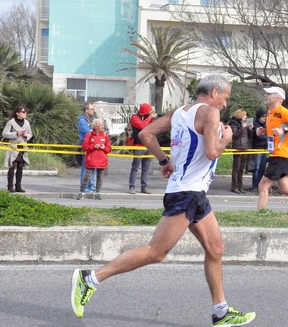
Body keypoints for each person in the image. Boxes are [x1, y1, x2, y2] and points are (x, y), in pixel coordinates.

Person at [71, 74, 256, 326]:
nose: (225, 104)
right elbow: (212, 152)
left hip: (193, 193)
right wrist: (226, 139)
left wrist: (164, 161)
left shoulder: (179, 111)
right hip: (187, 193)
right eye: (225, 97)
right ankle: (90, 278)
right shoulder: (210, 113)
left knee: (216, 249)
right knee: (155, 252)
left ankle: (221, 312)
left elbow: (146, 133)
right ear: (214, 92)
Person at [77, 119, 111, 200]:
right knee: (87, 177)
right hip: (91, 159)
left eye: (102, 125)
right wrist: (94, 146)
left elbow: (109, 148)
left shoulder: (105, 136)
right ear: (95, 126)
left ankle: (98, 193)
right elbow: (85, 147)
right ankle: (81, 193)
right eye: (100, 125)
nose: (102, 126)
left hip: (102, 160)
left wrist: (104, 147)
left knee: (100, 177)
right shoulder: (89, 135)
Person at [128, 103, 158, 194]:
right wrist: (149, 118)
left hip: (148, 145)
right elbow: (142, 126)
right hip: (138, 145)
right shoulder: (134, 118)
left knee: (146, 168)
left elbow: (153, 128)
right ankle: (131, 186)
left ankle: (144, 187)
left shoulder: (148, 118)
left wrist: (153, 119)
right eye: (149, 112)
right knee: (135, 167)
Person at [2, 105, 33, 193]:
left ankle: (18, 186)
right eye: (23, 112)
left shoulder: (27, 123)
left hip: (23, 147)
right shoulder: (11, 122)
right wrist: (16, 134)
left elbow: (30, 134)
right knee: (12, 167)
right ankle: (10, 186)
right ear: (17, 113)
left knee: (20, 167)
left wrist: (25, 135)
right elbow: (4, 133)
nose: (25, 113)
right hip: (13, 147)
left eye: (25, 112)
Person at [229, 109, 252, 194]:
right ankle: (234, 187)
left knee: (241, 168)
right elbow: (235, 135)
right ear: (240, 115)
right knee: (236, 168)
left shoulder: (245, 124)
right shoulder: (234, 123)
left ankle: (240, 186)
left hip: (245, 146)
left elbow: (249, 136)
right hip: (238, 146)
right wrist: (242, 127)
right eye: (244, 115)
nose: (246, 117)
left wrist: (250, 128)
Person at [77, 103, 97, 194]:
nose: (93, 111)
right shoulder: (82, 120)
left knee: (94, 166)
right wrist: (96, 132)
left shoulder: (93, 119)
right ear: (86, 110)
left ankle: (92, 185)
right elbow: (87, 132)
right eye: (92, 109)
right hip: (86, 145)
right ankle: (84, 186)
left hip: (94, 145)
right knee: (86, 167)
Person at [251, 108, 268, 190]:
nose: (265, 118)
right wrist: (267, 137)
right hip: (258, 148)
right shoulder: (255, 124)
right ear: (259, 117)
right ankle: (255, 185)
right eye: (263, 116)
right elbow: (259, 136)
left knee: (263, 168)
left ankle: (260, 185)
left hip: (265, 148)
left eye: (266, 116)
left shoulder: (265, 125)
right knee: (257, 167)